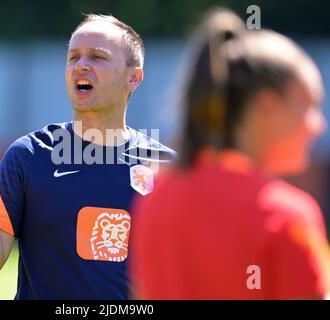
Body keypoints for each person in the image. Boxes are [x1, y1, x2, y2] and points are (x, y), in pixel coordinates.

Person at [0, 14, 175, 299]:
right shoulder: (29, 156)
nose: (81, 65)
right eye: (74, 57)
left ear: (133, 77)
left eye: (97, 56)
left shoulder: (167, 168)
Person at [130, 9, 330, 299]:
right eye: (309, 106)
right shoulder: (283, 214)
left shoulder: (154, 199)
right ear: (268, 107)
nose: (319, 126)